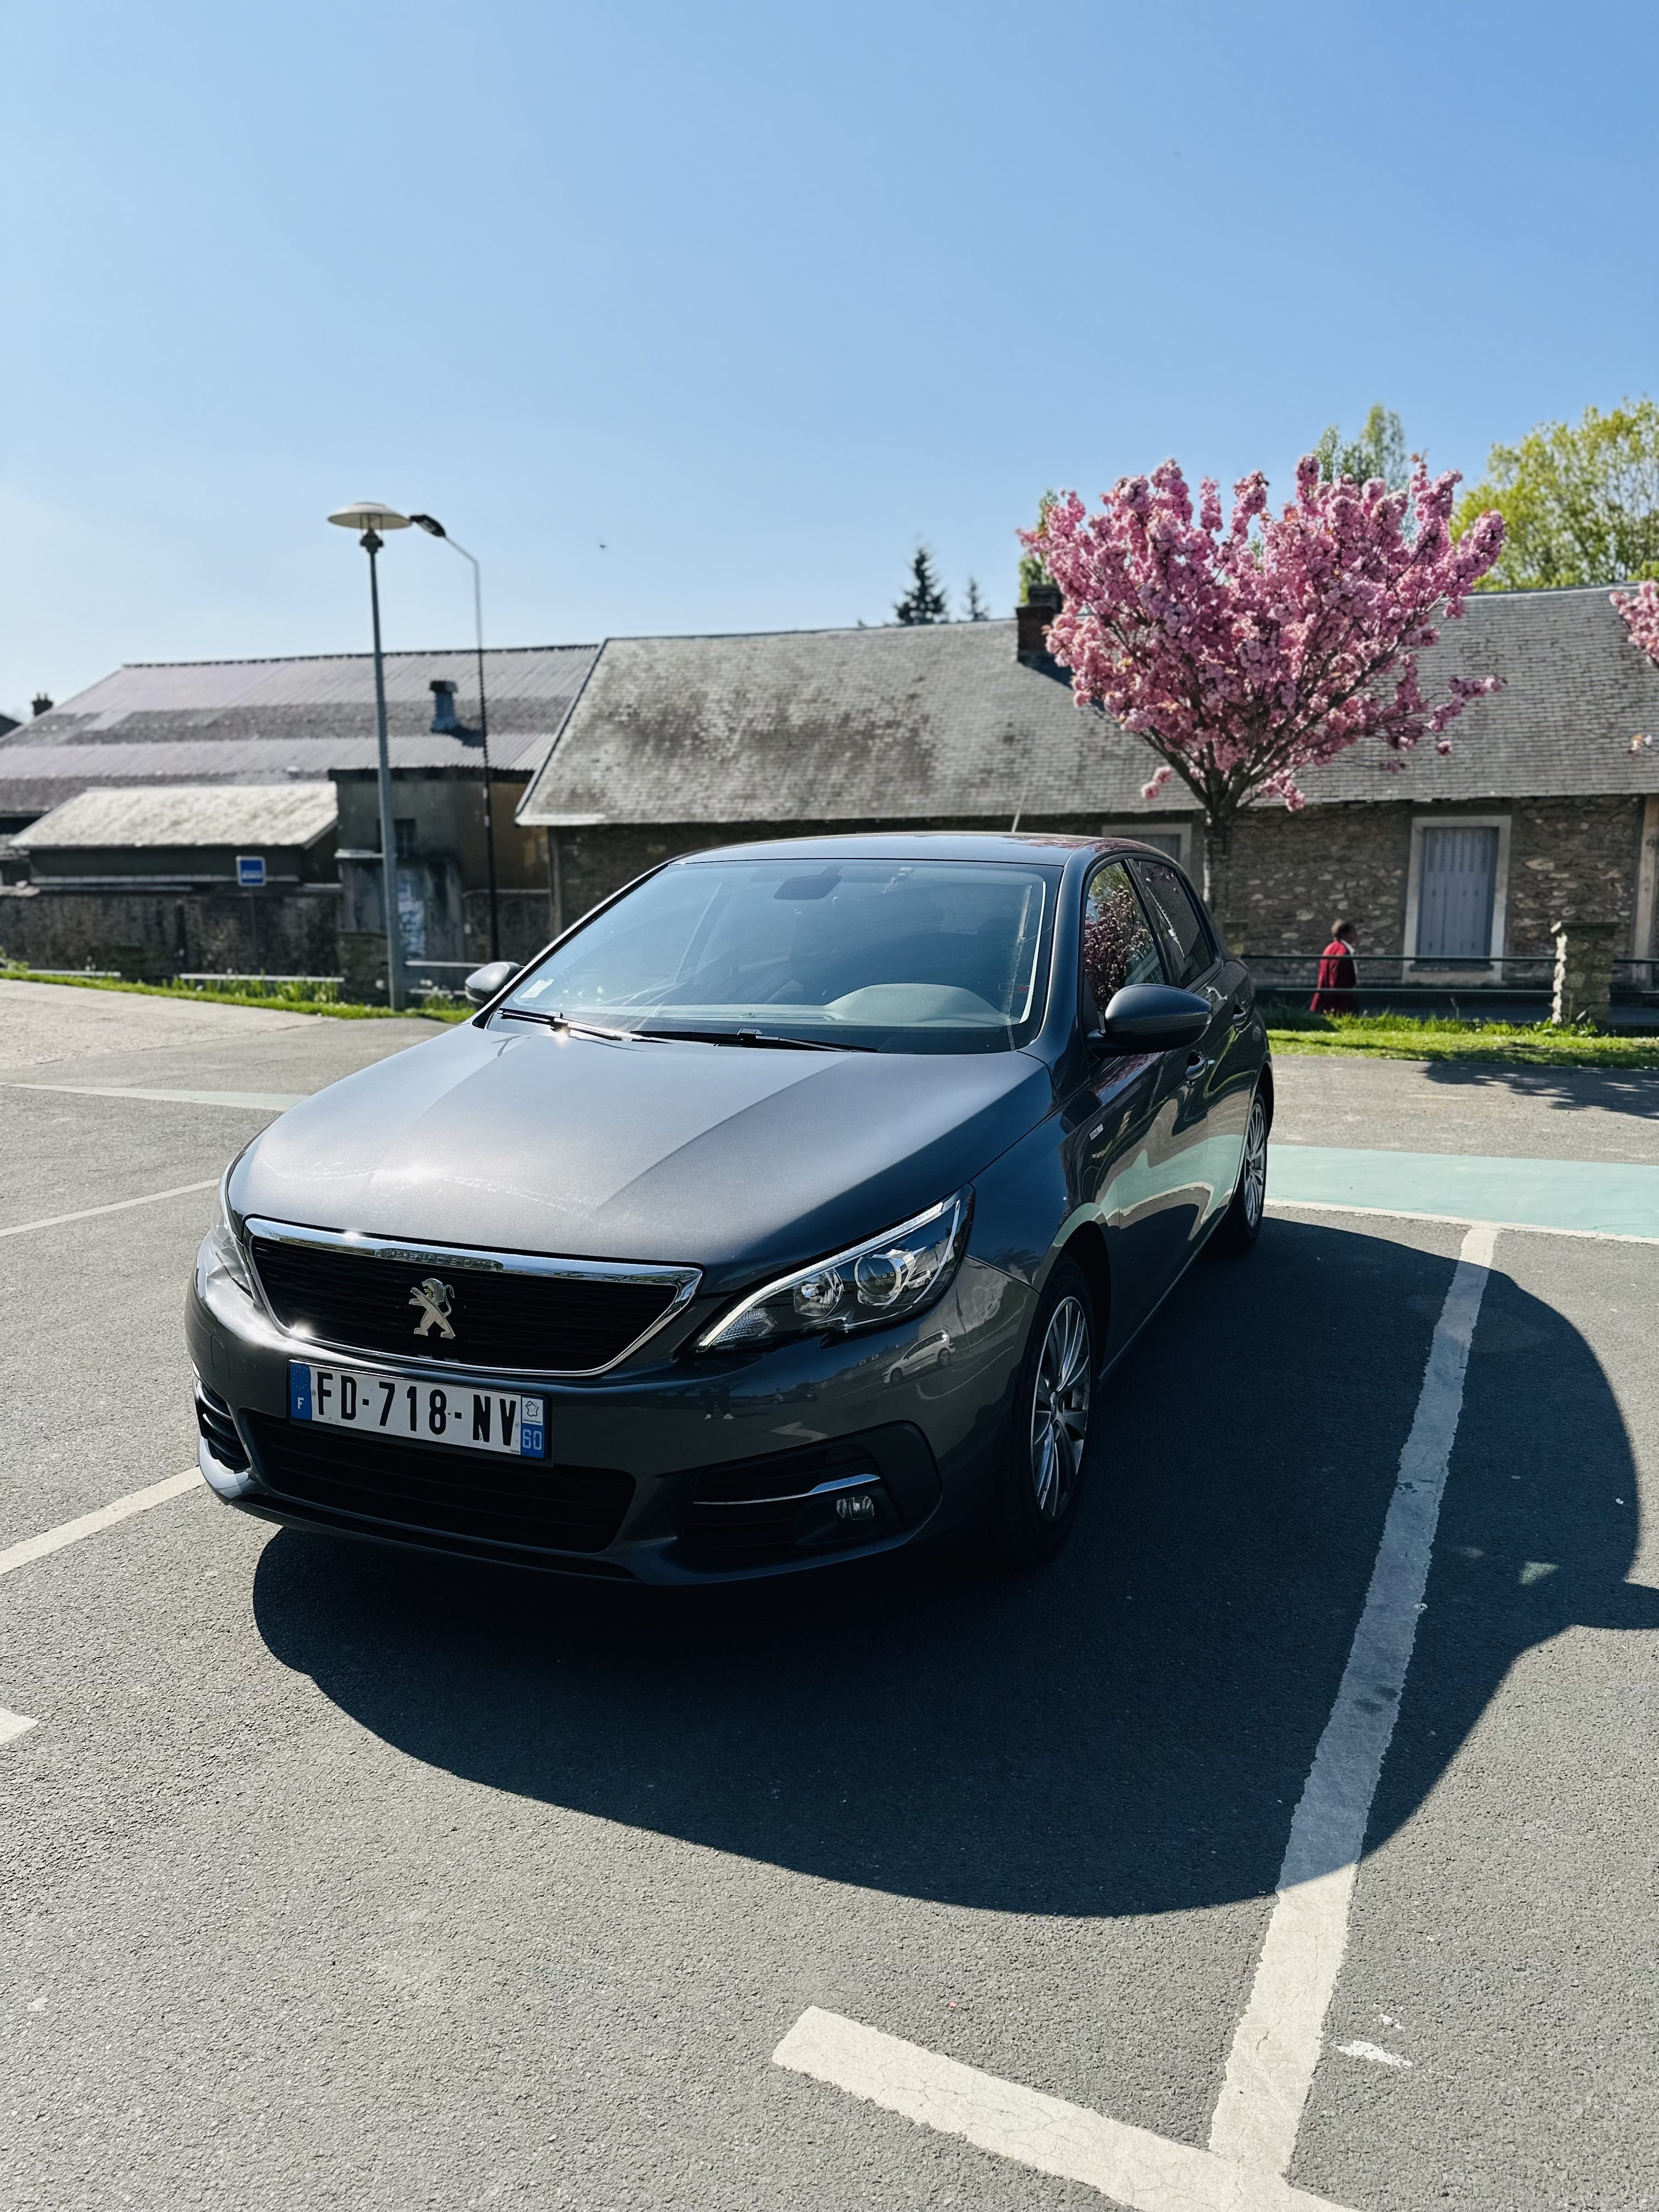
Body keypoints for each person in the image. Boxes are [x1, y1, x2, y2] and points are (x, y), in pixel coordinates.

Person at [1310, 919, 1357, 1015]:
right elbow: (1338, 982)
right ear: (1345, 934)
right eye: (1353, 932)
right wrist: (1340, 1008)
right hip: (1337, 1004)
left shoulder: (1330, 948)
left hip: (1325, 1000)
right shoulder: (1343, 952)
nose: (1356, 935)